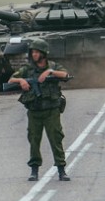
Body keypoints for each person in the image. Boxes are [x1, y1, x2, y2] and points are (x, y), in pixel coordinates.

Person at [7, 38, 70, 181]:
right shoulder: (27, 70)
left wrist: (50, 72)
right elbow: (11, 80)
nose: (34, 55)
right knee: (34, 140)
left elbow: (66, 75)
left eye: (36, 52)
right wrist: (21, 80)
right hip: (34, 111)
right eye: (33, 52)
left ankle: (61, 169)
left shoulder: (53, 66)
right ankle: (34, 170)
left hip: (51, 110)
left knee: (56, 138)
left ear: (43, 53)